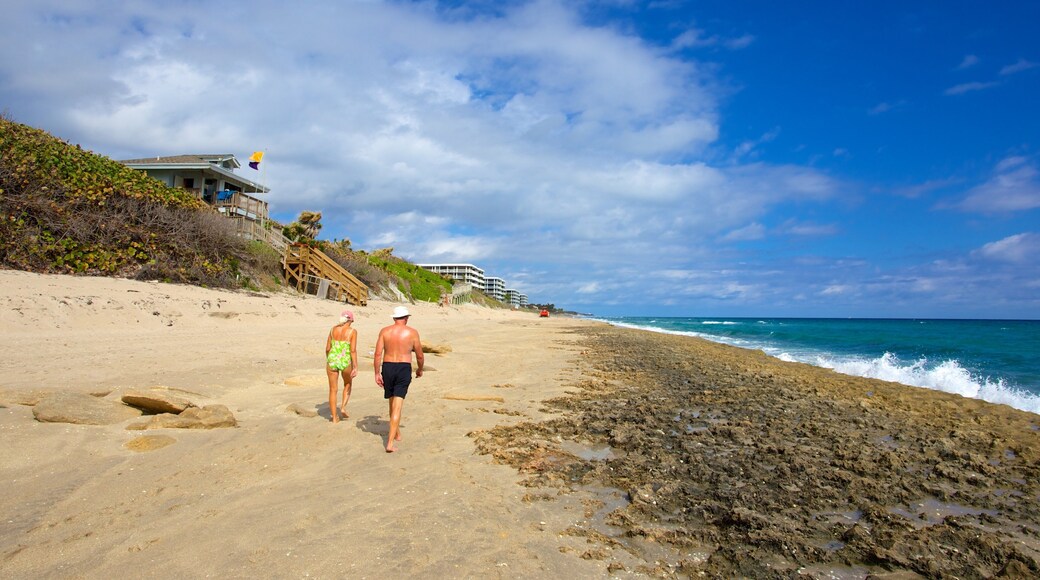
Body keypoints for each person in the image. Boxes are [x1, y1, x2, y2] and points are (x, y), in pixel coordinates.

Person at [373, 306, 424, 452]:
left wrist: (377, 373)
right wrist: (420, 369)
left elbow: (378, 354)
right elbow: (419, 355)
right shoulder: (412, 332)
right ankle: (389, 443)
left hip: (388, 367)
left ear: (394, 318)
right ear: (406, 318)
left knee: (392, 402)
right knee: (397, 405)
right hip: (403, 367)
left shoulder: (385, 331)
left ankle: (397, 432)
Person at [325, 310, 358, 423]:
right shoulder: (352, 331)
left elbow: (327, 348)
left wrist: (329, 359)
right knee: (348, 383)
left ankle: (334, 418)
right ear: (351, 320)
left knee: (333, 390)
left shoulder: (333, 330)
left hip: (332, 359)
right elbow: (353, 350)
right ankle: (343, 407)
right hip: (345, 360)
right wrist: (355, 366)